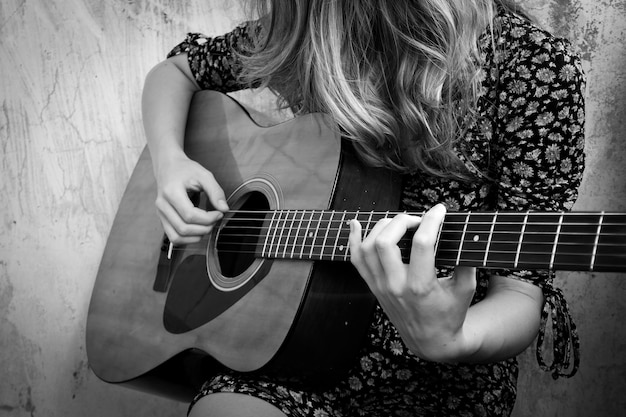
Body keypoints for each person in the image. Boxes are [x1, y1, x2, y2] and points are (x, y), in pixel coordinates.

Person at [141, 0, 585, 415]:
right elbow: (176, 71)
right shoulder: (310, 24)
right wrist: (170, 163)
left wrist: (455, 340)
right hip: (286, 350)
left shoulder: (532, 66)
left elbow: (521, 292)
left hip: (432, 382)